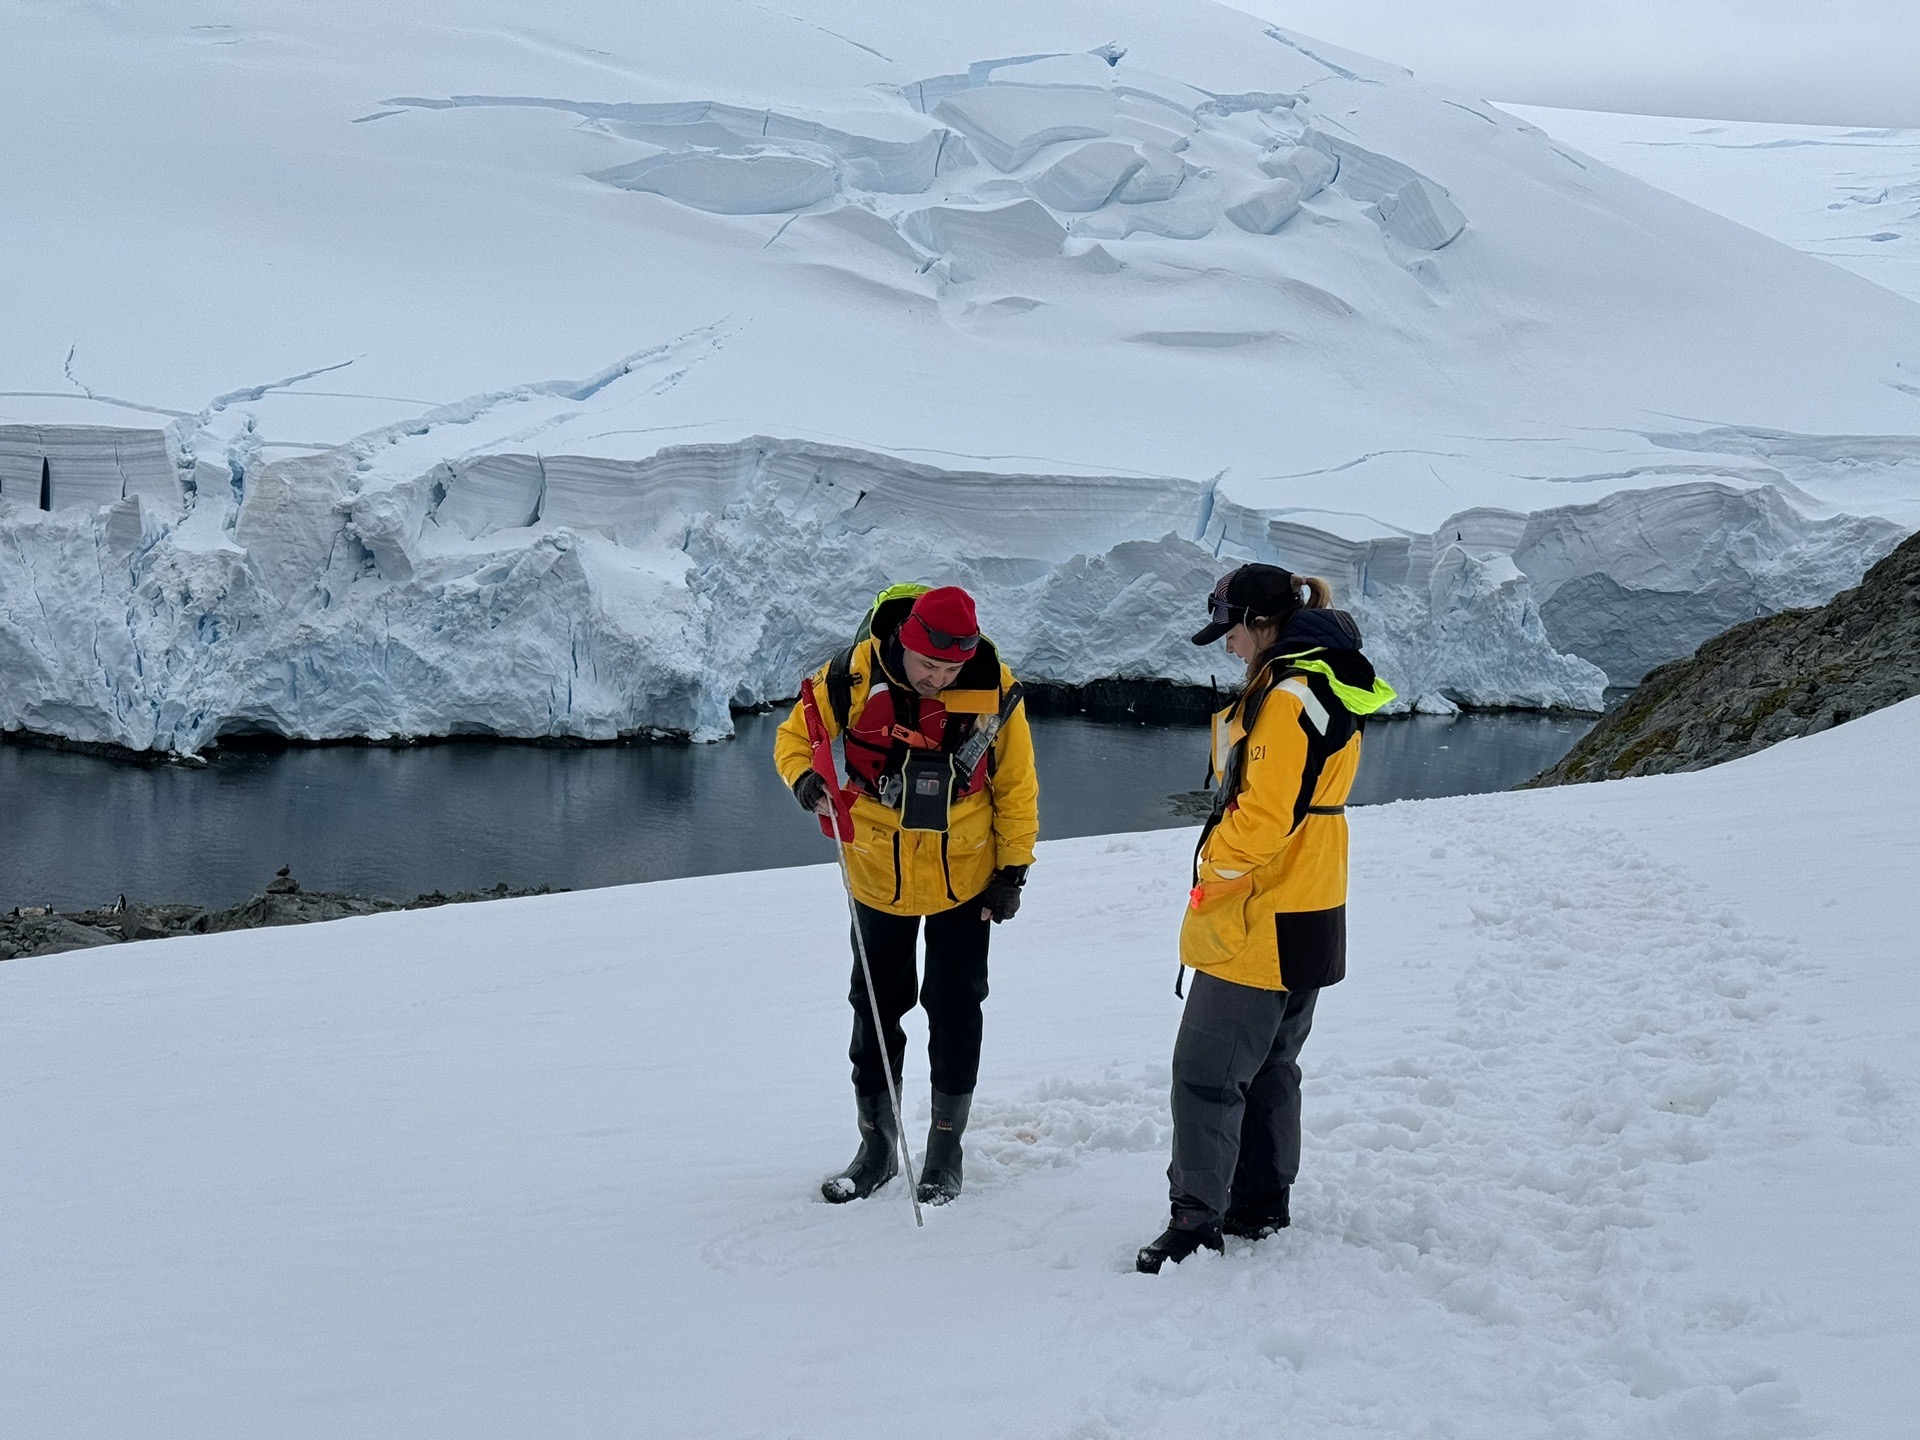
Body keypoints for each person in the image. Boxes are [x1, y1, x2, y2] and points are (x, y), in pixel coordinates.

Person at [1137, 563, 1394, 1273]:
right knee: (1273, 1063)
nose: (1227, 648)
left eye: (1231, 634)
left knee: (1206, 1072)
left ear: (1260, 623)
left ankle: (1194, 1223)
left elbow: (1261, 818)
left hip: (1261, 908)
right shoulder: (1325, 681)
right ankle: (1260, 1200)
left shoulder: (1286, 697)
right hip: (1312, 899)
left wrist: (1211, 871)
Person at [775, 584, 1039, 1206]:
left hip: (964, 879)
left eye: (950, 670)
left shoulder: (996, 691)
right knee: (874, 1007)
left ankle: (945, 1152)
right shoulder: (848, 677)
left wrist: (1013, 872)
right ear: (904, 642)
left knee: (955, 1008)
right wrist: (809, 783)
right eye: (928, 666)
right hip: (874, 873)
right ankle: (877, 1148)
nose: (938, 679)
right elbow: (794, 738)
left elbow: (1017, 786)